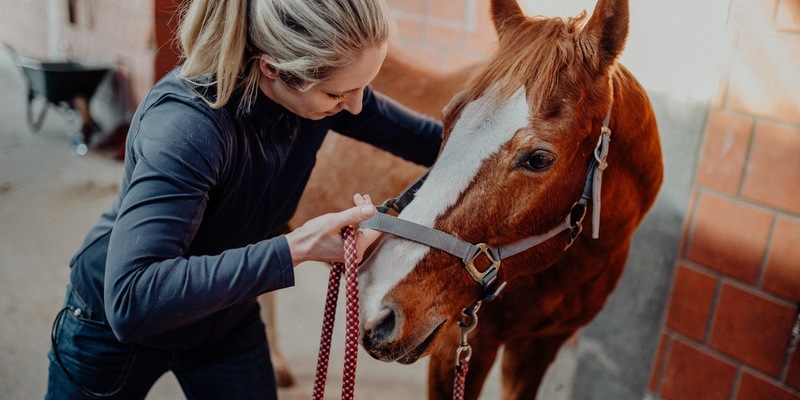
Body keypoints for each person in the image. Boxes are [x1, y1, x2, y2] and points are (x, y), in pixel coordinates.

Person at [45, 0, 442, 398]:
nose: (356, 106)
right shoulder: (186, 126)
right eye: (339, 94)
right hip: (115, 329)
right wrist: (296, 248)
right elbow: (134, 298)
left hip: (226, 318)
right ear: (272, 68)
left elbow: (436, 144)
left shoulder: (320, 92)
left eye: (362, 88)